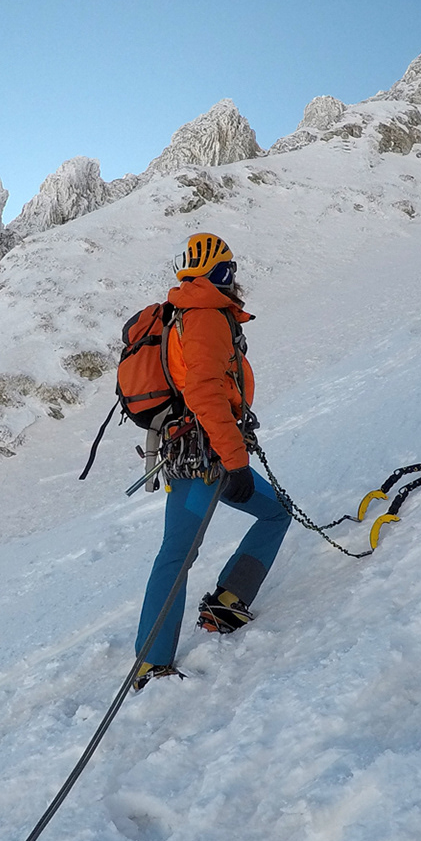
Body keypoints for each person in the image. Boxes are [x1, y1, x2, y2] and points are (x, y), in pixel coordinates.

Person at [133, 232, 291, 689]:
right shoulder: (205, 317)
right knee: (178, 554)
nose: (234, 279)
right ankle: (152, 659)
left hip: (200, 451)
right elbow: (204, 391)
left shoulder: (188, 311)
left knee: (274, 513)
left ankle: (227, 601)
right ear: (220, 273)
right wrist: (236, 461)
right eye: (230, 270)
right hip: (203, 457)